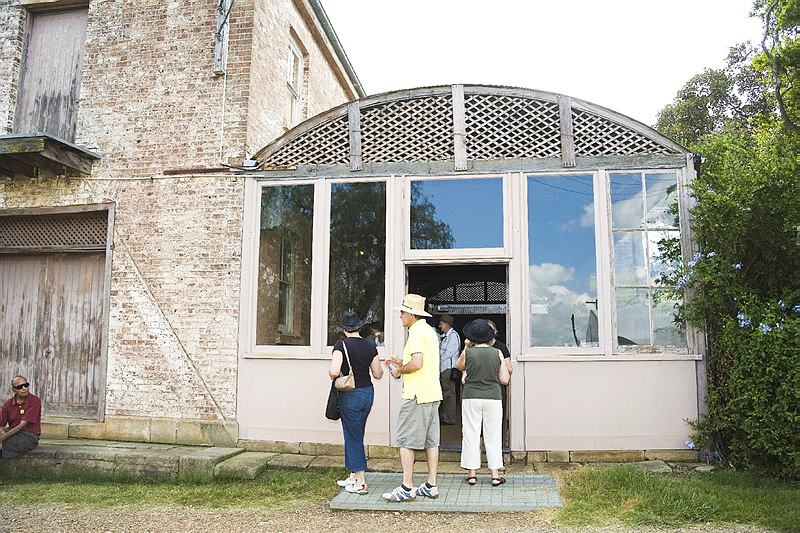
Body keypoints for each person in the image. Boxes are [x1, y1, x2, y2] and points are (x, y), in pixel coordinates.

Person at [382, 294, 442, 502]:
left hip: (416, 394)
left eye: (402, 312)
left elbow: (416, 364)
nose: (400, 316)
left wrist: (399, 370)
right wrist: (399, 361)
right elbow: (422, 360)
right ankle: (430, 485)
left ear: (411, 315)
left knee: (406, 441)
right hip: (433, 393)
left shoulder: (415, 333)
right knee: (431, 442)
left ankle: (407, 487)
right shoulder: (430, 331)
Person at [328, 311, 384, 495]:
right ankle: (353, 475)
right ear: (360, 327)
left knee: (352, 435)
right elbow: (377, 373)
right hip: (367, 393)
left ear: (344, 330)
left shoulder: (340, 344)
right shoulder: (369, 346)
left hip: (350, 394)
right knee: (356, 432)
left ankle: (360, 481)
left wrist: (333, 374)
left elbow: (334, 371)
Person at [454, 319, 510, 487]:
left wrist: (466, 347)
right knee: (493, 435)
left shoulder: (468, 352)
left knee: (471, 434)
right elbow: (505, 379)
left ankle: (472, 474)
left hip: (471, 397)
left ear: (472, 337)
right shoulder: (497, 353)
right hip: (493, 397)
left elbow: (458, 366)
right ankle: (494, 475)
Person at [1, 375, 42, 471]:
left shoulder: (34, 401)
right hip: (13, 432)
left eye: (26, 385)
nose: (24, 388)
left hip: (29, 436)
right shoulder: (8, 404)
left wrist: (3, 438)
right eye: (20, 387)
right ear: (13, 389)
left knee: (8, 442)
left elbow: (22, 426)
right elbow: (1, 423)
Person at [437, 314, 460, 425]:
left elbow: (449, 353)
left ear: (447, 324)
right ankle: (445, 417)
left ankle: (449, 418)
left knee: (449, 394)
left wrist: (438, 354)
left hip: (448, 368)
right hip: (444, 368)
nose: (440, 326)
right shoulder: (446, 336)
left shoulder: (453, 336)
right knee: (446, 393)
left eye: (442, 324)